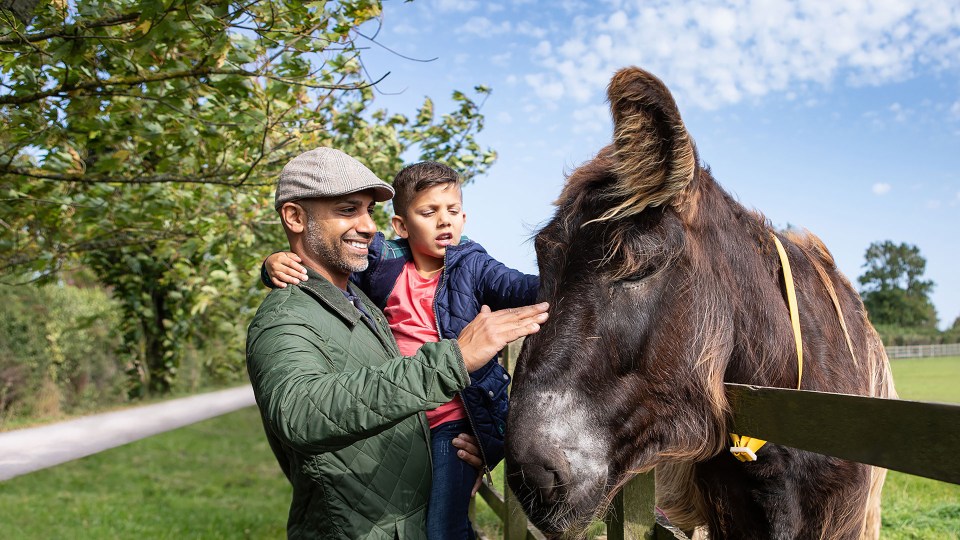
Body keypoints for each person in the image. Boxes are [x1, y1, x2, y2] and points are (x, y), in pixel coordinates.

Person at [246, 147, 549, 540]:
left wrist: (476, 445)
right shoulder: (290, 314)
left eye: (369, 211)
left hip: (437, 457)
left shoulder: (363, 302)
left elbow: (522, 288)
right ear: (295, 217)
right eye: (348, 209)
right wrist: (455, 359)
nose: (369, 227)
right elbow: (301, 412)